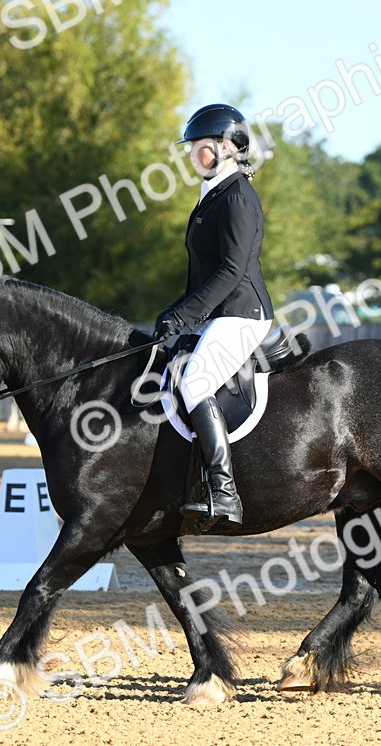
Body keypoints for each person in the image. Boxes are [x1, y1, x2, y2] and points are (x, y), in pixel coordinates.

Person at [153, 103, 274, 529]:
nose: (191, 154)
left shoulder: (236, 196)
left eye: (198, 146)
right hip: (219, 312)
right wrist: (176, 311)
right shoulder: (215, 193)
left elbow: (231, 270)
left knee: (195, 381)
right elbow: (203, 272)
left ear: (225, 147)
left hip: (241, 313)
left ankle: (224, 491)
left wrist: (186, 314)